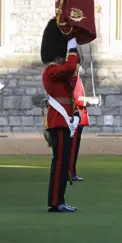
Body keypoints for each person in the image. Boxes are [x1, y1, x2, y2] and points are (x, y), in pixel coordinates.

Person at [40, 19, 80, 213]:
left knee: (64, 163)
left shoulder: (59, 71)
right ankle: (56, 201)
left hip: (65, 120)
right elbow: (70, 68)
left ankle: (59, 199)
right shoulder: (51, 70)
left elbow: (73, 71)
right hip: (58, 120)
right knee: (60, 162)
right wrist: (71, 47)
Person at [69, 70, 100, 182]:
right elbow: (77, 99)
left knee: (74, 148)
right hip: (76, 117)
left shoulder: (75, 78)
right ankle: (70, 173)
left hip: (77, 117)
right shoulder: (74, 78)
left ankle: (71, 172)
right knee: (72, 148)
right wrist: (90, 101)